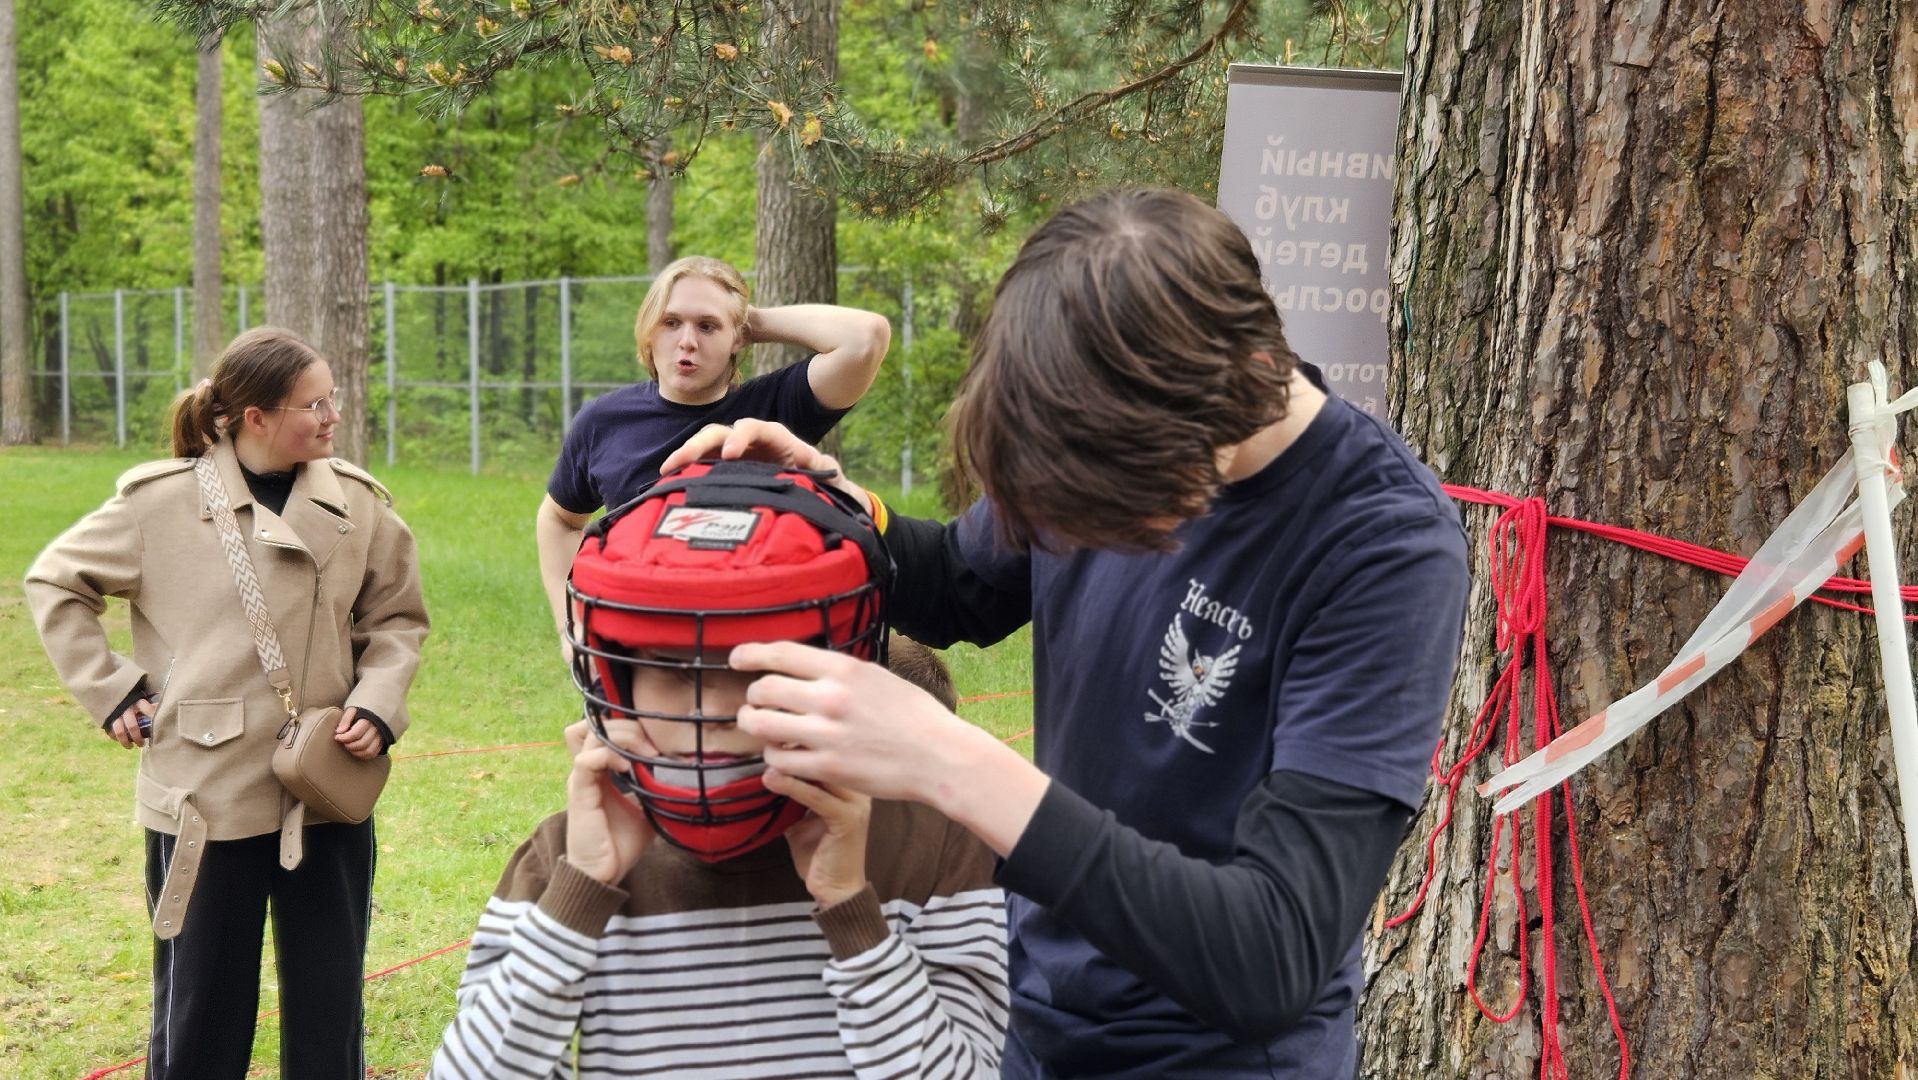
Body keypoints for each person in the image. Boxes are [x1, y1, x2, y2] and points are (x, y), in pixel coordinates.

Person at [662, 187, 1473, 1078]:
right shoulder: (1107, 427)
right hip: (1039, 1019)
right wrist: (832, 511)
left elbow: (1271, 954)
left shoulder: (1380, 545)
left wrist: (947, 760)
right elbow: (959, 587)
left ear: (1212, 408)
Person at [431, 459, 1007, 1079]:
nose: (715, 709)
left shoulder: (934, 845)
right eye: (676, 671)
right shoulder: (563, 857)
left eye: (756, 672)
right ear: (618, 676)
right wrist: (581, 894)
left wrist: (851, 913)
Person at [24, 327, 430, 1080]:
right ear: (256, 417)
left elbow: (397, 620)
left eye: (331, 399)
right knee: (201, 1008)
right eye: (313, 404)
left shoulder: (359, 505)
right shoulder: (160, 505)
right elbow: (55, 582)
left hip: (328, 785)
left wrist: (376, 705)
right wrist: (112, 690)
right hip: (203, 796)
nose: (332, 415)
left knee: (328, 1003)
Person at [535, 255, 891, 650]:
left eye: (707, 326)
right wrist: (572, 624)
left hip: (748, 647)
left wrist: (746, 319)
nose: (687, 341)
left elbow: (866, 338)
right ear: (650, 330)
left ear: (738, 338)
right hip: (643, 652)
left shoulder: (774, 408)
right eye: (670, 322)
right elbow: (559, 519)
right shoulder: (604, 421)